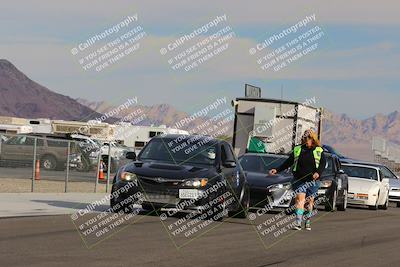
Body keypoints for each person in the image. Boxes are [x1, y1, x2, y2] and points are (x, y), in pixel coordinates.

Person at [269, 129, 326, 231]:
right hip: (299, 179)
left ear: (313, 139)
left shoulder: (319, 150)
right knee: (300, 200)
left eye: (308, 138)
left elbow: (322, 164)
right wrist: (277, 169)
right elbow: (288, 162)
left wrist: (318, 173)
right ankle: (298, 222)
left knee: (309, 202)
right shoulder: (297, 149)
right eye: (304, 137)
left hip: (313, 181)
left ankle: (307, 220)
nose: (305, 139)